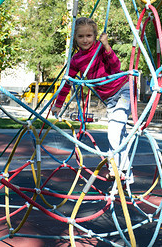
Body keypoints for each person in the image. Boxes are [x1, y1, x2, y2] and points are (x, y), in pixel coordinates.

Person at [52, 17, 133, 183]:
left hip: (124, 89)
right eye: (81, 36)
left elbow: (115, 67)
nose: (85, 40)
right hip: (110, 99)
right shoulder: (76, 60)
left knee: (115, 131)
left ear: (95, 36)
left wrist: (106, 46)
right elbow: (68, 82)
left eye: (89, 35)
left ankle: (116, 170)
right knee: (119, 133)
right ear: (75, 38)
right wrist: (58, 104)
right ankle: (127, 173)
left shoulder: (100, 49)